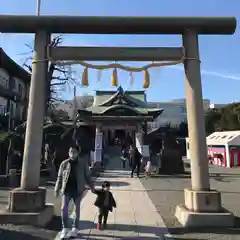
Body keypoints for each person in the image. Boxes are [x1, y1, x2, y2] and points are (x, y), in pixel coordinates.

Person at [54, 145, 94, 239]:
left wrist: (92, 187)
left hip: (78, 189)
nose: (72, 153)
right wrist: (57, 189)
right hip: (66, 189)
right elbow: (59, 177)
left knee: (77, 209)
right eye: (71, 151)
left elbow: (87, 176)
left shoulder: (82, 163)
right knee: (64, 208)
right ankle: (65, 228)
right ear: (68, 153)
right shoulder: (64, 164)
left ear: (77, 153)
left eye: (74, 151)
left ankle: (75, 228)